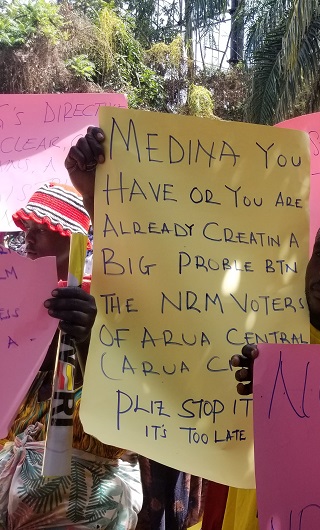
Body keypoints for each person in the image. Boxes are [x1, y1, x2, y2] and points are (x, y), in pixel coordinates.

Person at [66, 128, 207, 530]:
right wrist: (95, 189)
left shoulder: (225, 300)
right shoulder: (127, 287)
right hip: (132, 463)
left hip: (187, 454)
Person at [0, 182, 142, 529]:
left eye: (40, 229)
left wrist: (84, 336)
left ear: (70, 237)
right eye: (26, 229)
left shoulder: (107, 301)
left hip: (85, 496)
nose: (28, 238)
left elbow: (124, 390)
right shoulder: (17, 303)